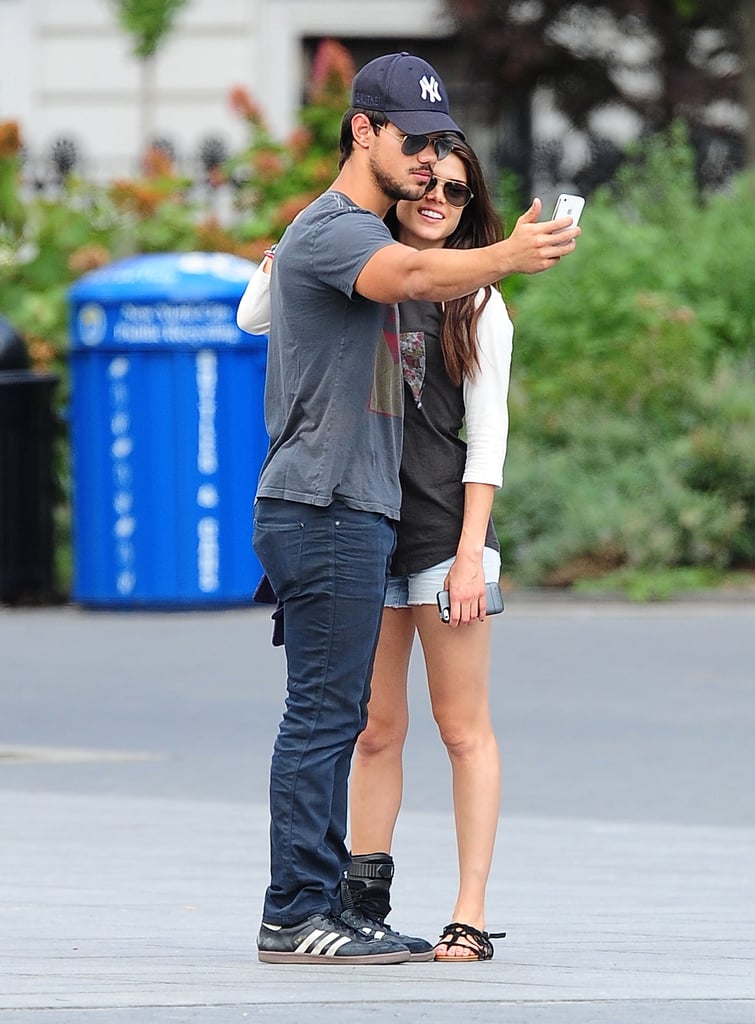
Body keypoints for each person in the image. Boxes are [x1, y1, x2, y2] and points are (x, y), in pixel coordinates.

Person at [242, 50, 580, 966]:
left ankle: (332, 905)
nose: (430, 166)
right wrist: (502, 255)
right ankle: (296, 910)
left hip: (366, 514)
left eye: (442, 151)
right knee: (330, 720)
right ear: (364, 132)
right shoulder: (337, 233)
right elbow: (408, 278)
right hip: (326, 507)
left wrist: (472, 548)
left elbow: (425, 314)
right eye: (414, 144)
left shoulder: (354, 236)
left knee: (343, 717)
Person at [344, 138, 511, 962]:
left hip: (447, 539)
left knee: (460, 729)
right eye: (425, 180)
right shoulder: (355, 273)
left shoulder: (478, 300)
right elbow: (253, 317)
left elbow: (488, 442)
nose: (437, 196)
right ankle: (361, 903)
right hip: (365, 529)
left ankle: (469, 913)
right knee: (374, 729)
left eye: (455, 187)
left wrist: (473, 555)